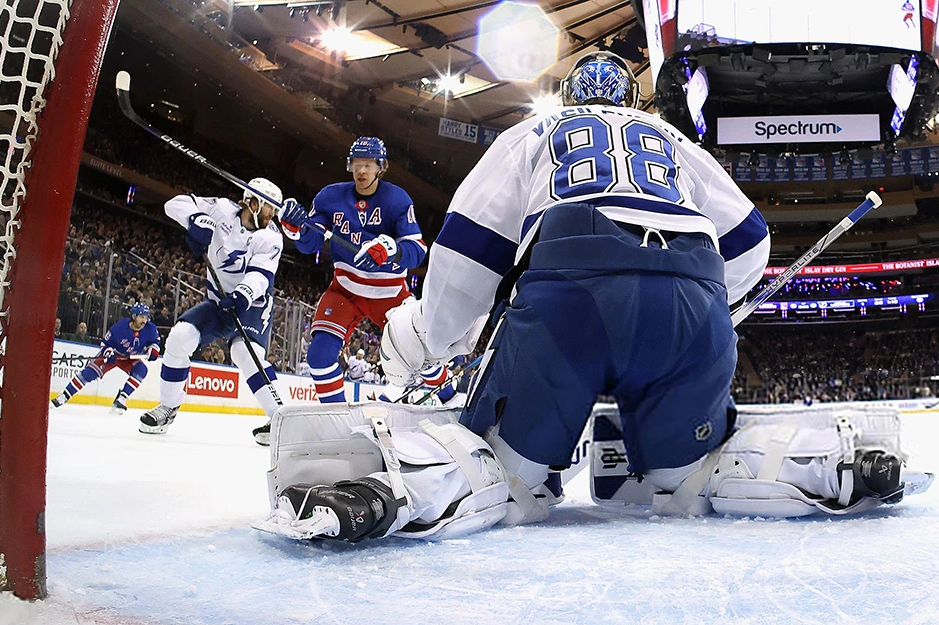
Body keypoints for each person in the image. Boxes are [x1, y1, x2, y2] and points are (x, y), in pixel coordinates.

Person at [267, 52, 910, 542]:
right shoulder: (675, 142)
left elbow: (469, 248)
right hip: (692, 289)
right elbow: (749, 243)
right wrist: (711, 304)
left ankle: (388, 494)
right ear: (633, 99)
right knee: (690, 482)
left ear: (569, 96)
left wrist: (427, 337)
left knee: (510, 475)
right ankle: (826, 465)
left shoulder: (535, 132)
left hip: (572, 284)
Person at [250, 138, 455, 445]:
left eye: (368, 164)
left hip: (390, 293)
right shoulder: (330, 197)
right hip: (345, 289)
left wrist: (390, 248)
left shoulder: (397, 200)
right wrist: (294, 227)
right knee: (319, 356)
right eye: (357, 163)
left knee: (424, 358)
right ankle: (337, 425)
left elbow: (417, 250)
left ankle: (453, 404)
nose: (361, 170)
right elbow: (310, 243)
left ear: (380, 167)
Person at [137, 179, 284, 434]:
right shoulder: (221, 209)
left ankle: (280, 420)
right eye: (269, 207)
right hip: (218, 301)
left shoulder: (271, 237)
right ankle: (168, 407)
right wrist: (195, 219)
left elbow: (261, 277)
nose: (273, 215)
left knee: (243, 352)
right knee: (179, 338)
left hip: (252, 304)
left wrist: (241, 295)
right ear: (252, 203)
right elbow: (174, 203)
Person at [51, 303, 160, 413]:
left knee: (141, 370)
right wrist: (109, 353)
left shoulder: (150, 328)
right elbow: (104, 343)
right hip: (114, 353)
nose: (144, 321)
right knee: (89, 373)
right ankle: (64, 396)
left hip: (129, 357)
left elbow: (154, 343)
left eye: (146, 317)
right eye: (141, 317)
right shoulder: (119, 328)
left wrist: (153, 350)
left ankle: (121, 398)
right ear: (133, 316)